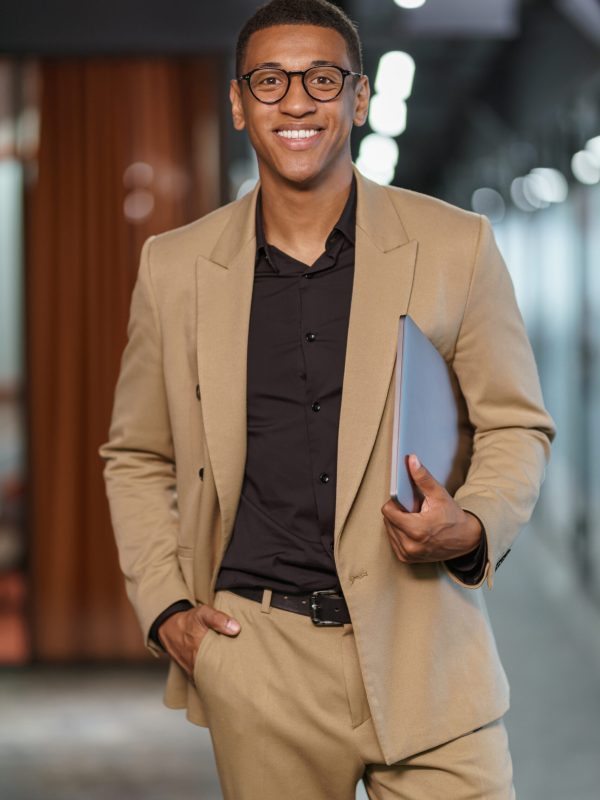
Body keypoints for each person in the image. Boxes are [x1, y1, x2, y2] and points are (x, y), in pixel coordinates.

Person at [99, 0, 556, 797]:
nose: (297, 102)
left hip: (427, 649)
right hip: (259, 658)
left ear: (359, 96)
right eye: (270, 81)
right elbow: (136, 454)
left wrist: (474, 523)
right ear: (238, 102)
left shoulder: (455, 245)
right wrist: (167, 607)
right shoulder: (174, 268)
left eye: (321, 79)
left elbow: (516, 424)